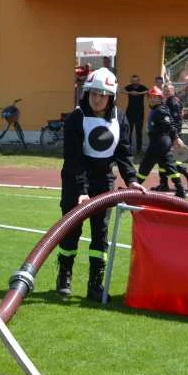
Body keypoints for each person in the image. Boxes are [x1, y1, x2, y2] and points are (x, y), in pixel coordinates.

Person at [56, 68, 145, 302]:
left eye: (103, 94)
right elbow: (74, 160)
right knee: (71, 228)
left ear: (112, 97)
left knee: (100, 232)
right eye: (94, 93)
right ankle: (64, 273)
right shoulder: (76, 118)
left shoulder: (121, 118)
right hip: (76, 180)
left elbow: (124, 153)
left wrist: (132, 180)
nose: (97, 98)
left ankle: (95, 283)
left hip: (104, 180)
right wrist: (82, 191)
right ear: (87, 93)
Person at [150, 83, 188, 192]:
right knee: (164, 160)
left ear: (173, 91)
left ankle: (186, 174)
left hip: (171, 135)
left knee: (168, 159)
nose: (165, 92)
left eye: (168, 90)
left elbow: (175, 121)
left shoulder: (173, 102)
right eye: (164, 90)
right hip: (169, 135)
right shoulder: (168, 101)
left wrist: (175, 137)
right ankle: (164, 183)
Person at [123, 74, 148, 154]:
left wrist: (138, 93)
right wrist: (130, 92)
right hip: (129, 112)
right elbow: (121, 90)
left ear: (138, 81)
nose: (134, 82)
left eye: (136, 81)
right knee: (129, 131)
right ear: (131, 81)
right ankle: (128, 148)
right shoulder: (129, 87)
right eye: (133, 81)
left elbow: (148, 91)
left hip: (139, 112)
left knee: (138, 131)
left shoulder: (141, 87)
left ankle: (139, 149)